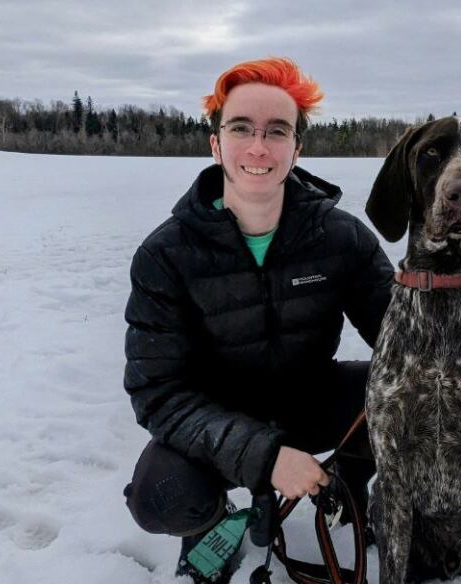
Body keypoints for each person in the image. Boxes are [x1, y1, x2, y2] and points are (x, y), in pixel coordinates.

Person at [121, 57, 394, 582]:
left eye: (278, 131)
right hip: (213, 414)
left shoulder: (341, 238)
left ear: (297, 148)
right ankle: (213, 521)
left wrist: (453, 295)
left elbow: (402, 340)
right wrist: (266, 457)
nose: (259, 148)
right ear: (216, 144)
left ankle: (347, 487)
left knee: (406, 400)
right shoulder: (165, 254)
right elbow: (157, 393)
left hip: (310, 395)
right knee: (161, 499)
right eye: (241, 128)